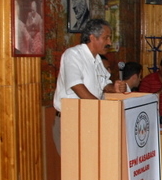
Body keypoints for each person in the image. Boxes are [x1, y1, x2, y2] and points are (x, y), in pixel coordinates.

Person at [53, 19, 126, 150]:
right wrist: (101, 109)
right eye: (106, 38)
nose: (109, 42)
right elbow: (77, 86)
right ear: (92, 38)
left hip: (89, 118)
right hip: (72, 120)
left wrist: (114, 88)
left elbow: (104, 85)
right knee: (75, 161)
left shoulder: (97, 59)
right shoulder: (73, 55)